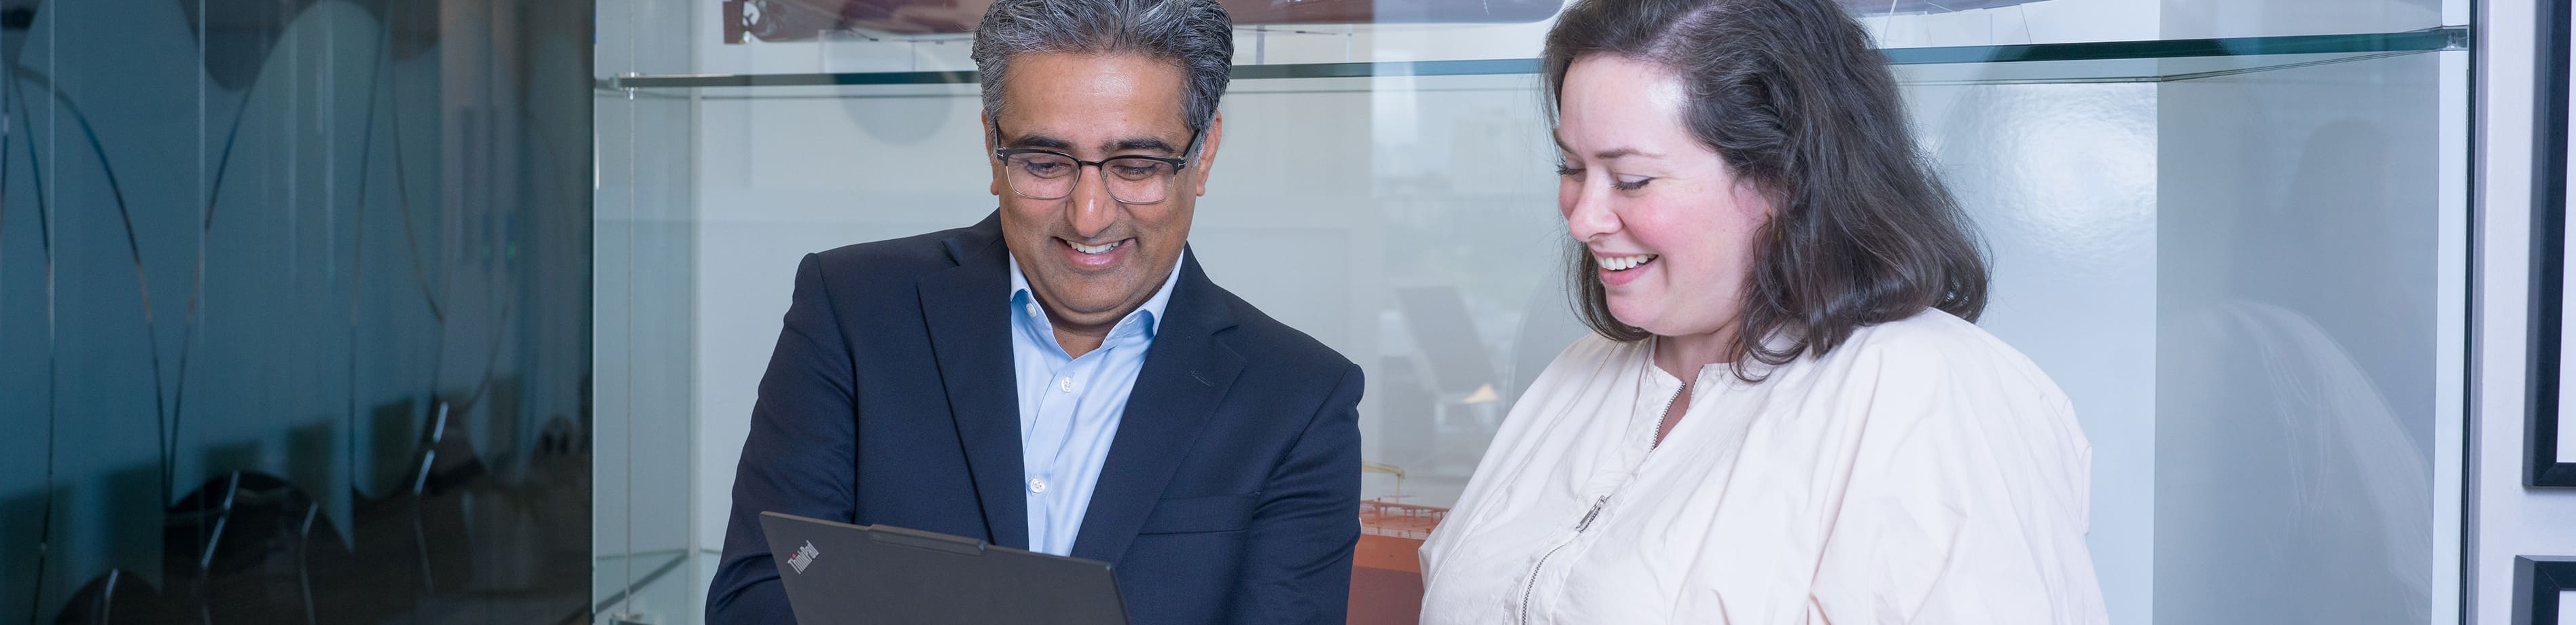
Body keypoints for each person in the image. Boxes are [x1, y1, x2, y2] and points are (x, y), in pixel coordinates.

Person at [1415, 0, 2109, 622]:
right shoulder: (1581, 373)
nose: (1584, 217)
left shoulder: (1926, 393)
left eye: (1632, 179)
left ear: (1784, 177)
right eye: (1571, 169)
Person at [702, 0, 1365, 622]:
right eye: (1045, 162)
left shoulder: (1300, 398)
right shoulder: (850, 310)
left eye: (1135, 165)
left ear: (1204, 154)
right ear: (992, 143)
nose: (1089, 214)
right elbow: (758, 598)